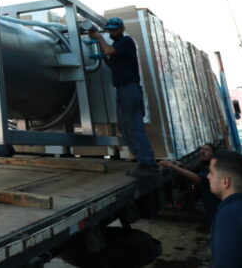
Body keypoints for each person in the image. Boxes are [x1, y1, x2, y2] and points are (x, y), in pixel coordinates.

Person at [88, 17, 157, 176]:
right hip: (122, 89)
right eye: (110, 30)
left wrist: (99, 38)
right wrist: (102, 54)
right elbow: (113, 64)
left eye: (114, 29)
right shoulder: (118, 47)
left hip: (129, 89)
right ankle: (142, 161)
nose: (112, 32)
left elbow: (110, 51)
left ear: (122, 29)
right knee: (125, 128)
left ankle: (148, 164)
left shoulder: (126, 41)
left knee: (134, 127)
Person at [161, 143, 219, 220]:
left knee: (216, 217)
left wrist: (172, 166)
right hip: (207, 199)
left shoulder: (214, 166)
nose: (202, 151)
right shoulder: (203, 164)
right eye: (202, 149)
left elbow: (197, 178)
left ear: (213, 153)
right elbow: (193, 172)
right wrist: (181, 165)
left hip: (215, 201)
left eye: (206, 150)